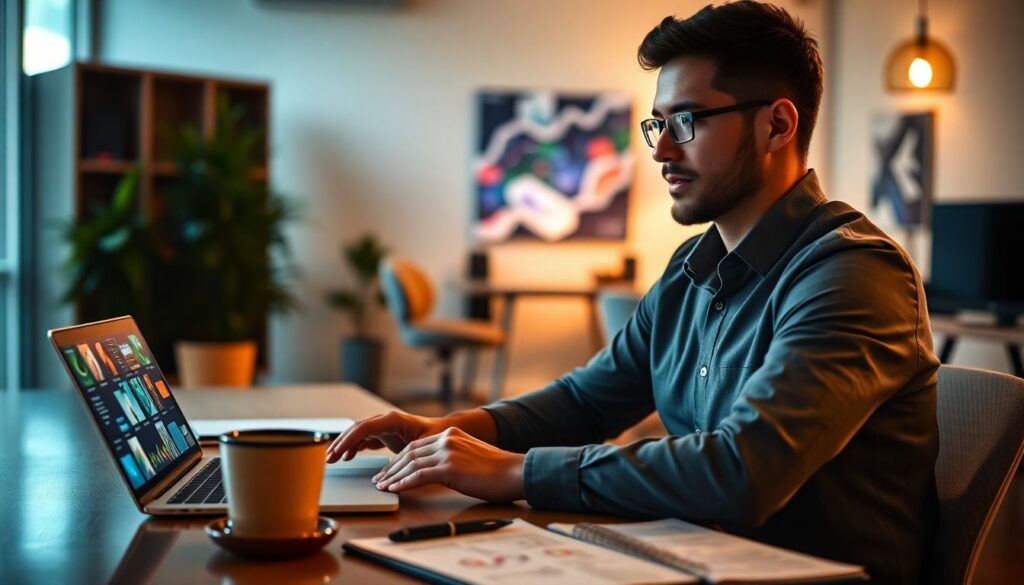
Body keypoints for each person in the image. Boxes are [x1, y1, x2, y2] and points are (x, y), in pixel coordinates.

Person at [327, 2, 939, 582]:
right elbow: (586, 402)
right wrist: (450, 430)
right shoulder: (690, 271)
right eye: (659, 124)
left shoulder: (853, 272)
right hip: (694, 556)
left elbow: (743, 471)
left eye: (687, 121)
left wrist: (516, 470)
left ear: (777, 124)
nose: (662, 150)